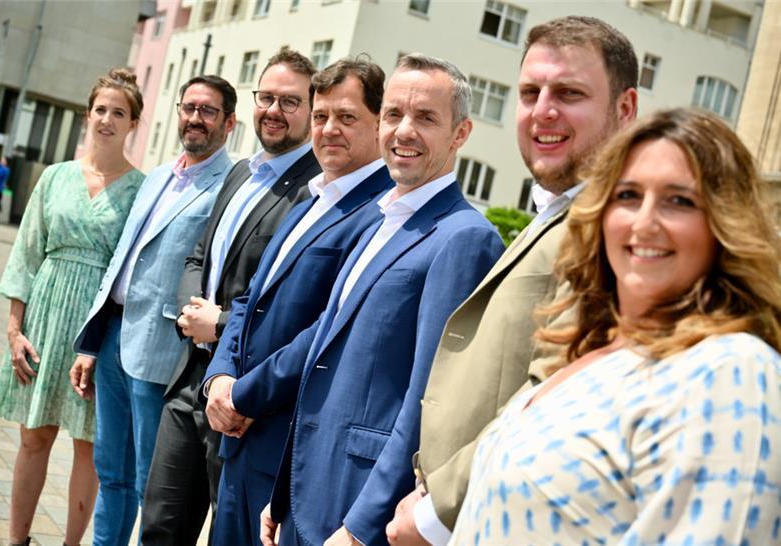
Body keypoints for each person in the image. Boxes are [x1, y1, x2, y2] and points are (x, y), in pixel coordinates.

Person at [449, 107, 781, 545]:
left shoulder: (732, 370)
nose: (644, 222)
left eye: (679, 200)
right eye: (627, 196)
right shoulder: (591, 352)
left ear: (724, 223)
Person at [386, 16, 638, 545]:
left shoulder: (618, 230)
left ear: (625, 109)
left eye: (569, 92)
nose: (542, 109)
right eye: (529, 92)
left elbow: (552, 398)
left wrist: (436, 514)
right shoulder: (557, 214)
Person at [257, 53, 505, 546]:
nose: (403, 131)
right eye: (393, 114)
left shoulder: (464, 239)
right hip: (310, 491)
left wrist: (360, 527)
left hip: (357, 511)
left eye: (426, 118)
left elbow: (429, 400)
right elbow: (326, 355)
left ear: (460, 134)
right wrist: (285, 489)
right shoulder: (377, 219)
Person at [202, 56, 394, 546]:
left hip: (285, 451)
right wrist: (219, 378)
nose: (329, 129)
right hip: (236, 440)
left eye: (347, 117)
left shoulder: (380, 215)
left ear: (380, 123)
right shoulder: (309, 200)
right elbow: (249, 300)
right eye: (322, 115)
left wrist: (244, 395)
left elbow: (330, 331)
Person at [140, 47, 321, 545]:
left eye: (290, 102)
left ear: (311, 109)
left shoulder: (314, 191)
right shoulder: (241, 172)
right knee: (160, 525)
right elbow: (199, 255)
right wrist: (190, 312)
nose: (274, 111)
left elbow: (296, 304)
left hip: (242, 392)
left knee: (228, 530)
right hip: (188, 377)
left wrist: (220, 326)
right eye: (267, 98)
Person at [70, 74, 235, 546]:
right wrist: (91, 343)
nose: (196, 118)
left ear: (228, 122)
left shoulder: (229, 184)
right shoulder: (159, 174)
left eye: (208, 111)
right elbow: (124, 256)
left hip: (163, 352)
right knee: (110, 472)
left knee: (151, 486)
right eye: (189, 108)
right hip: (115, 339)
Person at [0, 68, 145, 546]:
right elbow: (26, 255)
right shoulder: (54, 178)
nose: (107, 120)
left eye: (119, 112)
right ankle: (17, 540)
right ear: (86, 115)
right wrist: (15, 330)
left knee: (88, 447)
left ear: (134, 122)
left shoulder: (142, 190)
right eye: (101, 110)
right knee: (33, 435)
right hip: (45, 319)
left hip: (97, 331)